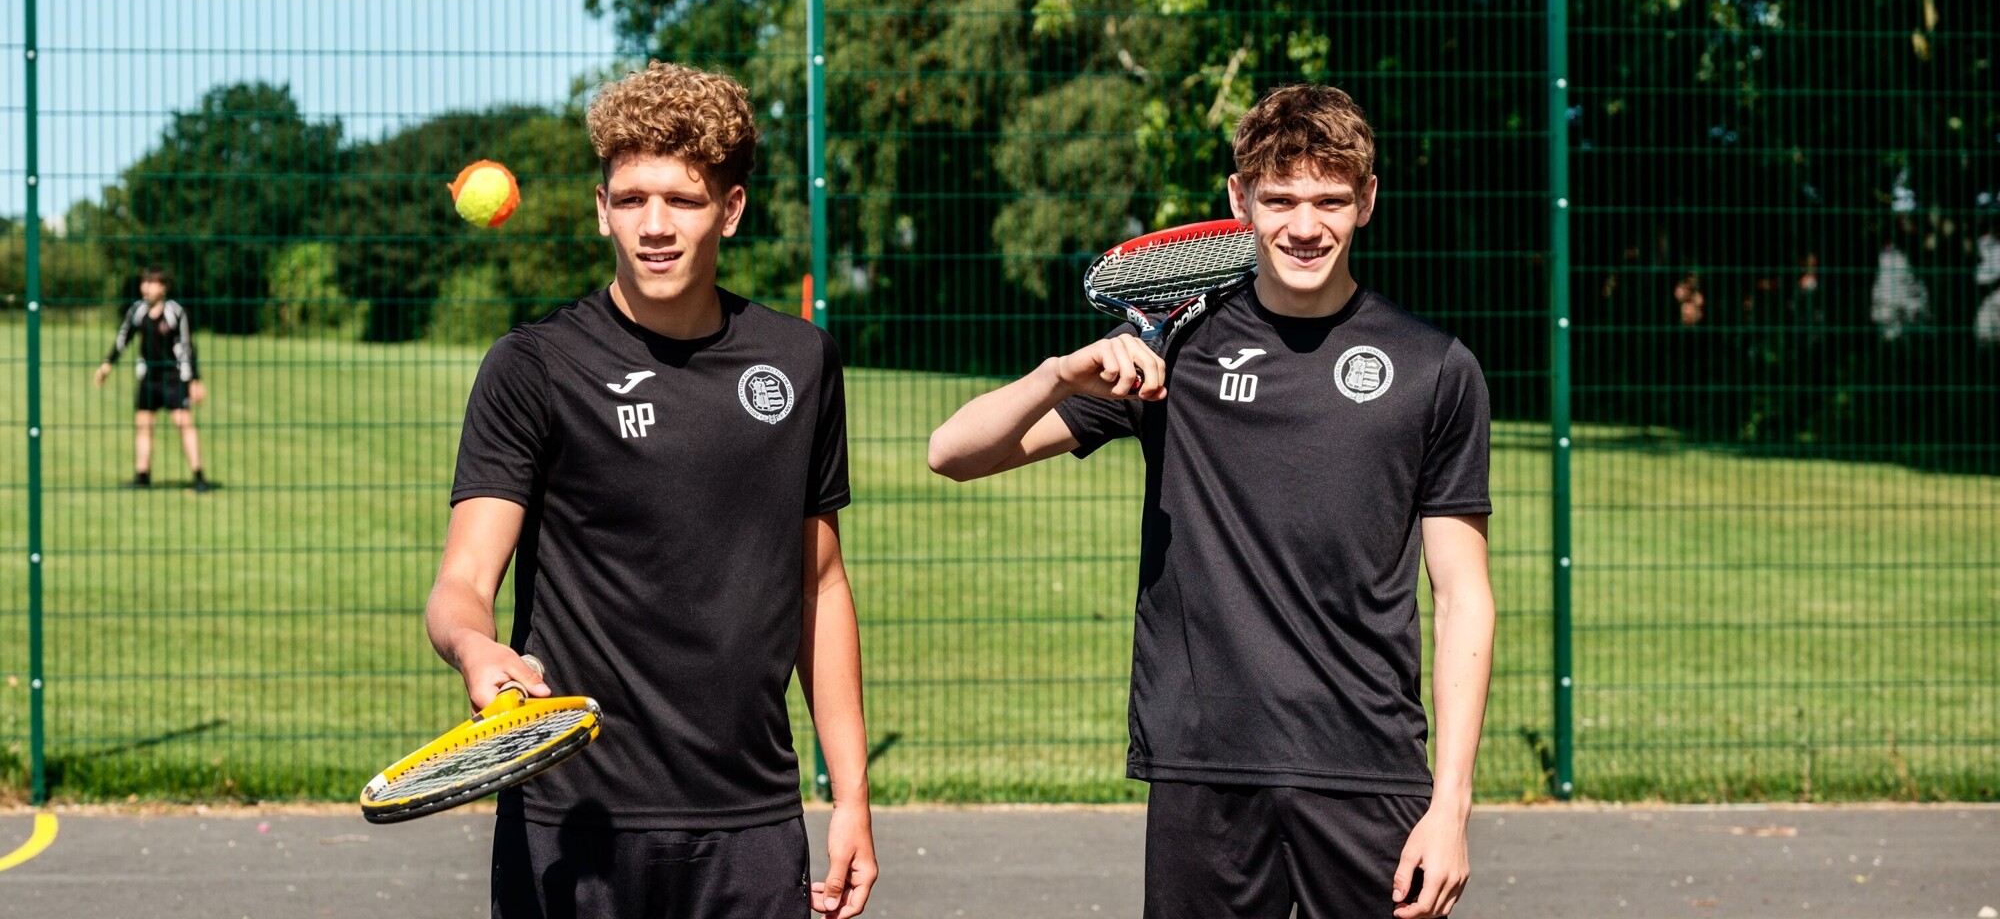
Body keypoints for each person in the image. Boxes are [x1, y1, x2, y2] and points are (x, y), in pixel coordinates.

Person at [929, 84, 1494, 919]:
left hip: (1368, 767)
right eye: (1281, 199)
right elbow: (951, 453)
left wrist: (1451, 807)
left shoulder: (1434, 368)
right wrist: (1058, 375)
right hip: (1203, 767)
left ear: (1368, 200)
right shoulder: (1172, 351)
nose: (1305, 226)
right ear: (1240, 199)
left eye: (1331, 200)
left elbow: (1463, 594)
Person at [425, 62, 876, 918]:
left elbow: (819, 584)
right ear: (602, 208)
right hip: (573, 817)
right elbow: (462, 582)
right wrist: (476, 650)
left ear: (731, 210)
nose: (655, 226)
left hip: (749, 819)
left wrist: (850, 793)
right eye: (631, 200)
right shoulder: (533, 367)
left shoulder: (800, 362)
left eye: (683, 200)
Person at [93, 266, 211, 492]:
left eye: (152, 282)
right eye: (144, 282)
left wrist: (195, 380)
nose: (145, 287)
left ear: (163, 287)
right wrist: (107, 364)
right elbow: (123, 339)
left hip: (174, 378)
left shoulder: (176, 312)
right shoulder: (137, 311)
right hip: (148, 378)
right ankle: (142, 475)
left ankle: (199, 477)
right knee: (143, 425)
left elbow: (188, 347)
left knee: (184, 424)